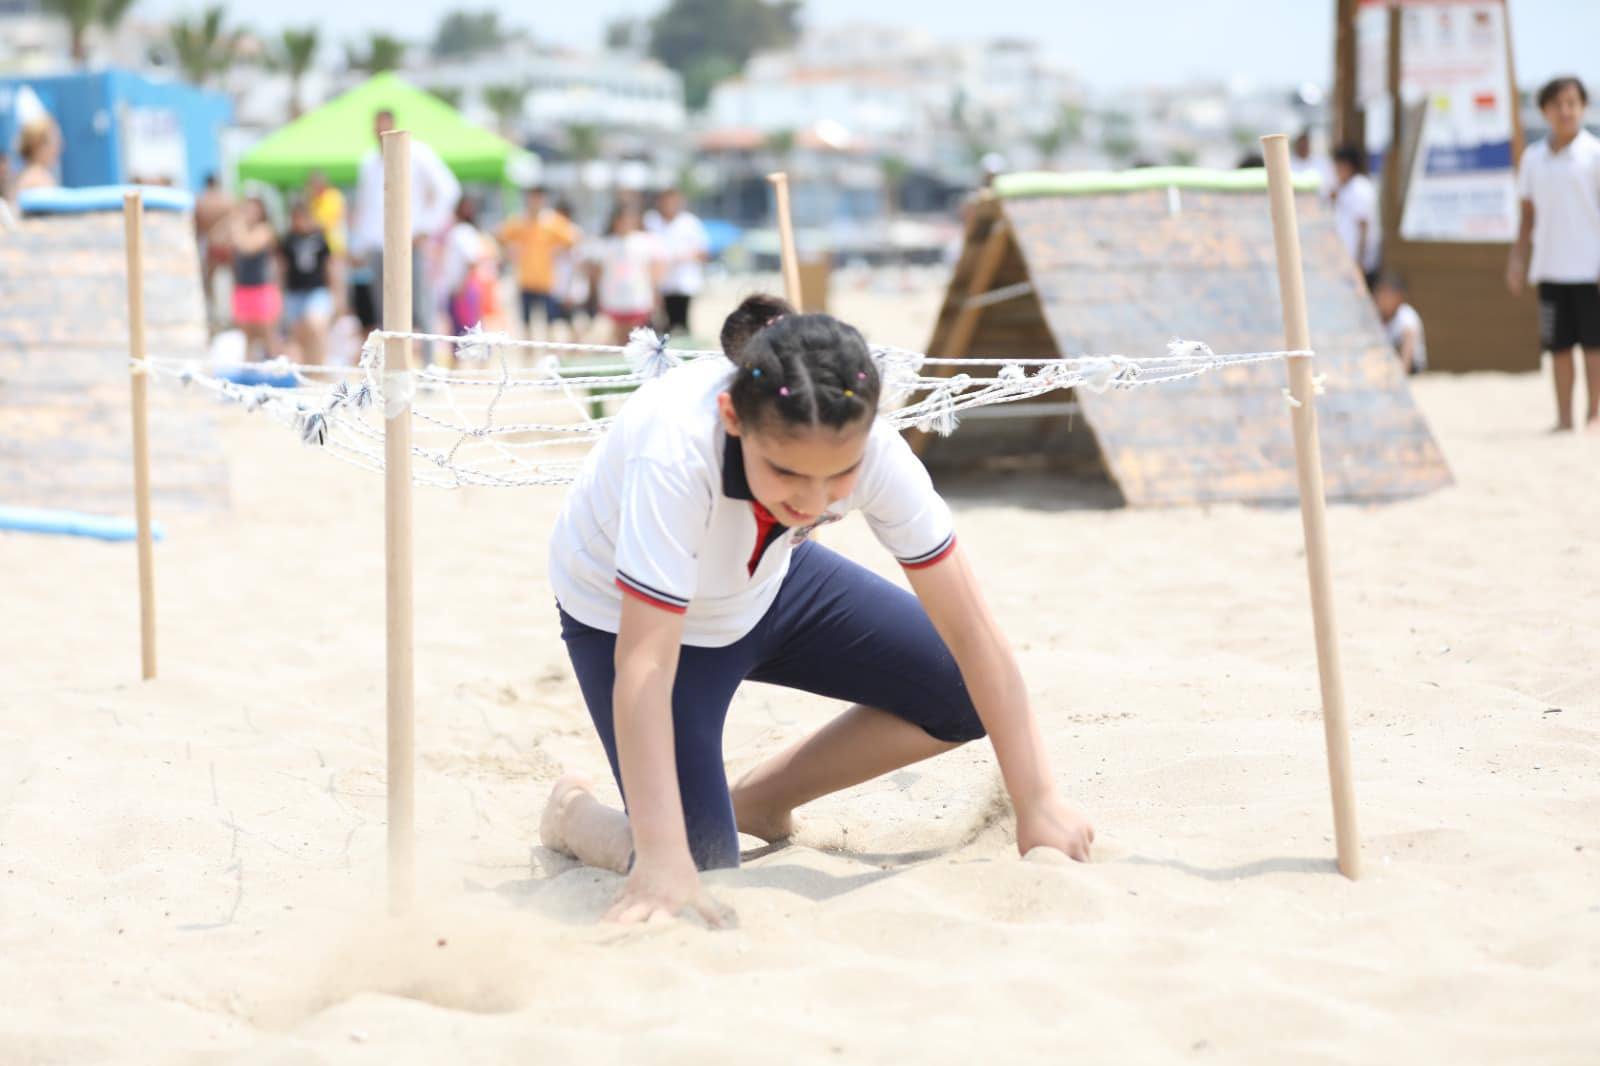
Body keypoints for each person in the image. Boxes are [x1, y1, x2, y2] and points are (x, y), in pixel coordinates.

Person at [537, 294, 1097, 924]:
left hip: (771, 581)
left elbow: (971, 628)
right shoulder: (674, 451)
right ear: (731, 417)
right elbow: (644, 663)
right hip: (624, 614)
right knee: (692, 862)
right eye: (787, 473)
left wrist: (1039, 802)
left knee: (961, 696)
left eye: (840, 476)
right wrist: (662, 866)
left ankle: (759, 799)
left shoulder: (876, 451)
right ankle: (573, 815)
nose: (813, 500)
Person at [1507, 76, 1600, 431]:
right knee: (1559, 348)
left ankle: (1594, 414)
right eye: (1558, 104)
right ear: (1544, 110)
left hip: (1589, 268)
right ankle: (1563, 418)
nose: (1566, 111)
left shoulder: (1594, 154)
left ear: (1582, 108)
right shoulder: (1533, 158)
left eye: (1572, 103)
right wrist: (1517, 260)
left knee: (1594, 346)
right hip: (1549, 267)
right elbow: (1527, 216)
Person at [349, 108, 461, 363]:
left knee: (421, 306)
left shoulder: (419, 153)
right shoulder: (368, 162)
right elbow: (367, 206)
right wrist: (359, 245)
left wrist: (426, 228)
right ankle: (392, 367)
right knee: (385, 310)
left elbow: (448, 190)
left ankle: (430, 366)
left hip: (410, 243)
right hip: (379, 247)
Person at [497, 186, 579, 339]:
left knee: (549, 323)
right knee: (526, 324)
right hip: (525, 280)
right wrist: (510, 251)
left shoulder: (551, 220)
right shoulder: (520, 220)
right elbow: (501, 235)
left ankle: (548, 354)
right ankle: (529, 357)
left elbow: (573, 237)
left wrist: (557, 251)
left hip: (546, 281)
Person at [587, 203, 663, 345]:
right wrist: (596, 295)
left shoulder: (644, 241)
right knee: (619, 340)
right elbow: (596, 272)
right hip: (613, 299)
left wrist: (655, 293)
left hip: (638, 298)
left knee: (637, 339)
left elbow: (655, 269)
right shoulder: (606, 244)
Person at [647, 189, 711, 335]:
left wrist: (681, 257)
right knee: (661, 325)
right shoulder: (652, 221)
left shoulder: (690, 223)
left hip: (684, 283)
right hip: (660, 284)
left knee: (681, 324)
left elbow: (704, 252)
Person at [227, 197, 282, 360]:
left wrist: (236, 225)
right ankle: (248, 376)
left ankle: (277, 370)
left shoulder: (265, 230)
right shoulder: (239, 229)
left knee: (268, 336)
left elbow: (247, 247)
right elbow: (216, 239)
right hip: (243, 288)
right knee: (248, 338)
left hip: (262, 289)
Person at [280, 201, 334, 365]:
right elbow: (282, 268)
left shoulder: (319, 237)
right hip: (295, 291)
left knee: (316, 327)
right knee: (298, 334)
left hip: (316, 289)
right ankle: (306, 371)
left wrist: (336, 293)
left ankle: (320, 367)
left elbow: (329, 266)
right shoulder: (288, 239)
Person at [1331, 145, 1380, 289]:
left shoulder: (1360, 188)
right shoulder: (1345, 187)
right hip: (1346, 263)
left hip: (1358, 263)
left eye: (1339, 166)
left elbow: (1363, 226)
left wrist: (1359, 262)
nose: (1336, 171)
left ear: (1348, 165)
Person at [194, 174, 235, 329]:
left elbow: (197, 228)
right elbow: (235, 223)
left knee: (210, 283)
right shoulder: (228, 200)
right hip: (227, 244)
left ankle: (216, 317)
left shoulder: (202, 202)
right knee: (230, 280)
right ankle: (229, 317)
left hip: (210, 243)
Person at [306, 170, 347, 314]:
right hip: (320, 251)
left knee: (337, 285)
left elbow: (328, 222)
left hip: (334, 248)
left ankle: (340, 315)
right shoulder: (313, 201)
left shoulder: (333, 197)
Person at [1373, 274, 1426, 374]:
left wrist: (1401, 374)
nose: (1380, 298)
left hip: (1410, 368)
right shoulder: (1375, 317)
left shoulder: (1406, 316)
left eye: (1386, 294)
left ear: (1399, 296)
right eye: (1378, 292)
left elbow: (1408, 351)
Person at [16, 116, 61, 193]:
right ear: (38, 145)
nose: (58, 148)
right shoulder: (37, 180)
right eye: (54, 141)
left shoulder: (31, 175)